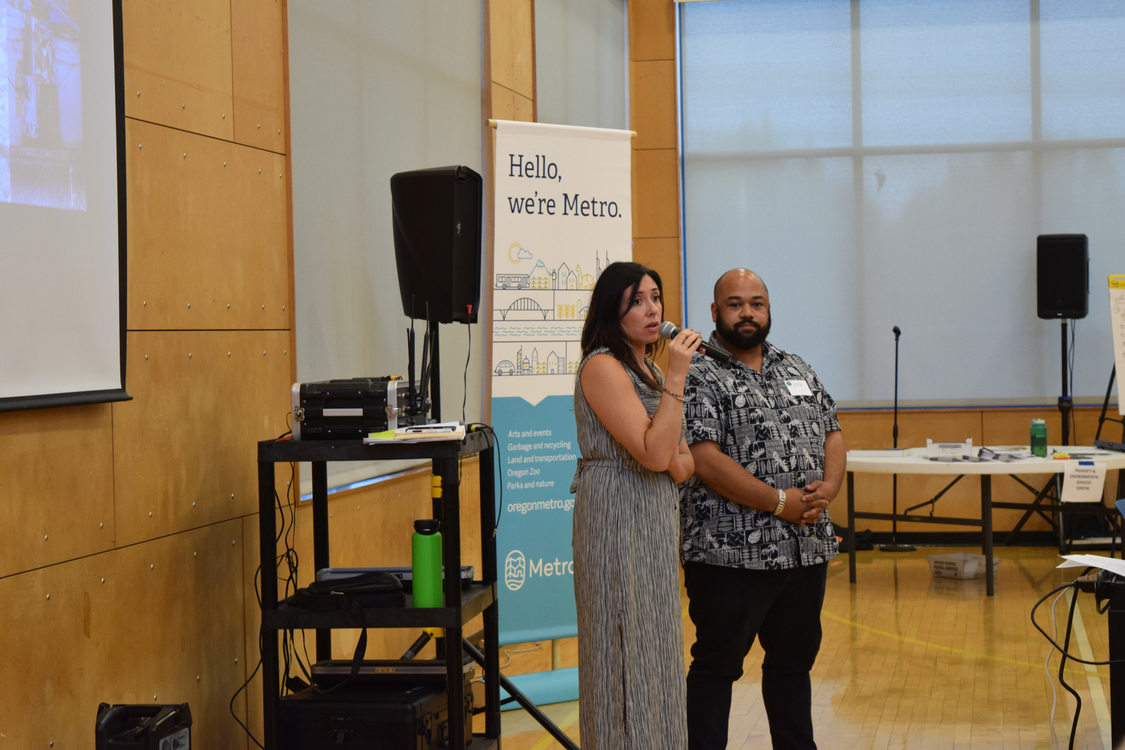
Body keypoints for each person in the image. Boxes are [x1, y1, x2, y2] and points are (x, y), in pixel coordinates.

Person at [680, 268, 845, 750]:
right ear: (715, 312)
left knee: (793, 666)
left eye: (757, 303)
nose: (747, 312)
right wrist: (779, 503)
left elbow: (832, 430)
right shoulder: (697, 371)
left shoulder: (796, 366)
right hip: (729, 556)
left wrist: (828, 488)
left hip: (804, 551)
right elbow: (705, 458)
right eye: (735, 304)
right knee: (716, 668)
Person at [570, 260, 702, 749]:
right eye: (637, 301)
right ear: (613, 310)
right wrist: (677, 377)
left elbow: (682, 463)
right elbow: (654, 453)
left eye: (656, 297)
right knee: (620, 651)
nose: (653, 310)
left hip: (652, 518)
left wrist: (660, 445)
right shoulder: (603, 365)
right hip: (615, 518)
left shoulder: (647, 367)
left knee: (656, 646)